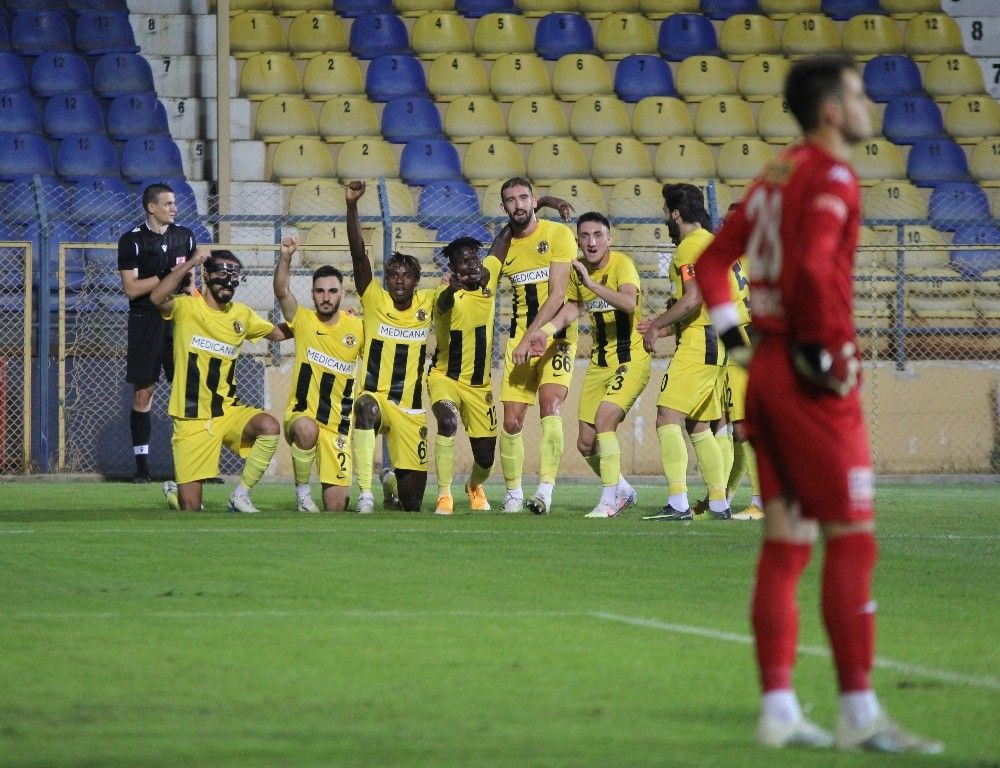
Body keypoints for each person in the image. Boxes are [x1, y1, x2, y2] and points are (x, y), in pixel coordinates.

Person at [695, 55, 942, 753]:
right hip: (812, 377)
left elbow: (712, 263)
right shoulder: (832, 174)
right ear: (832, 110)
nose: (870, 107)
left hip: (767, 370)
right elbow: (809, 266)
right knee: (852, 539)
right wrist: (818, 351)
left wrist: (736, 341)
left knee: (786, 544)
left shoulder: (775, 173)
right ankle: (859, 714)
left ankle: (778, 710)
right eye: (859, 95)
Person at [523, 212, 645, 519]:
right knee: (586, 443)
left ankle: (609, 501)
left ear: (609, 239)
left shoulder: (622, 265)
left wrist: (591, 283)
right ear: (578, 240)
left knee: (605, 421)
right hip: (598, 363)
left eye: (598, 235)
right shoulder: (578, 270)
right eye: (585, 236)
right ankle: (623, 489)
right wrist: (544, 333)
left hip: (630, 359)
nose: (591, 242)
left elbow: (629, 303)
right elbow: (572, 309)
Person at [151, 249, 290, 513]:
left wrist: (315, 323)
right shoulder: (187, 307)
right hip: (191, 418)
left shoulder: (242, 315)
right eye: (222, 273)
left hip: (227, 412)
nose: (228, 281)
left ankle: (240, 496)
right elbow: (157, 297)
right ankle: (175, 493)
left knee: (269, 426)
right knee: (190, 508)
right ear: (205, 275)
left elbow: (278, 333)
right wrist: (191, 262)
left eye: (234, 276)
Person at [638, 184, 731, 522]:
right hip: (718, 339)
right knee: (699, 425)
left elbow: (693, 299)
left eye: (666, 212)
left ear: (676, 214)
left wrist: (655, 325)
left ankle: (678, 503)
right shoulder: (711, 241)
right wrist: (666, 323)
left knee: (667, 415)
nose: (665, 218)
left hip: (700, 340)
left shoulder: (689, 247)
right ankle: (718, 504)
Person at [345, 180, 436, 513]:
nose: (399, 280)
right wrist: (352, 206)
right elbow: (358, 255)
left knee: (412, 504)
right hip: (376, 398)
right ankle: (365, 493)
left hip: (410, 409)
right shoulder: (374, 299)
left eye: (406, 275)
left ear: (416, 281)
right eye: (393, 274)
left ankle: (390, 482)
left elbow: (454, 297)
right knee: (364, 408)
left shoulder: (428, 302)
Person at [496, 177, 578, 515]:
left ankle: (545, 490)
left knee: (550, 405)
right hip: (519, 339)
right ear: (504, 207)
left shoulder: (558, 234)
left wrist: (530, 337)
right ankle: (513, 493)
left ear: (534, 200)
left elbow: (558, 295)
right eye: (510, 199)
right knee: (512, 421)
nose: (518, 204)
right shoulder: (504, 247)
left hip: (557, 338)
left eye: (523, 197)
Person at [273, 235, 364, 512]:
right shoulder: (303, 320)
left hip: (338, 426)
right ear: (312, 294)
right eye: (320, 291)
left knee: (336, 507)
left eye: (332, 291)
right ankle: (302, 495)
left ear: (343, 294)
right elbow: (282, 292)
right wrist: (286, 256)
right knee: (306, 429)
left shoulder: (357, 327)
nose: (326, 297)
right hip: (303, 415)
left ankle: (385, 478)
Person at [117, 183, 196, 483]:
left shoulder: (185, 236)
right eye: (168, 204)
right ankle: (142, 469)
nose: (174, 208)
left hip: (178, 319)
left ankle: (194, 467)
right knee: (144, 392)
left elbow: (190, 284)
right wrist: (166, 276)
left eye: (174, 203)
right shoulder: (131, 241)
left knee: (188, 392)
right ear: (151, 207)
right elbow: (131, 289)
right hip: (145, 320)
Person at [428, 234, 507, 515]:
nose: (471, 264)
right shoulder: (446, 293)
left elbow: (504, 239)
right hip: (445, 378)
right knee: (447, 421)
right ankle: (444, 495)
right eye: (463, 262)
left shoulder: (489, 278)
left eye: (474, 258)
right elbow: (443, 305)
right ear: (453, 269)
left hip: (479, 386)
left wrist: (538, 207)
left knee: (485, 461)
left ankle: (474, 485)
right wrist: (451, 288)